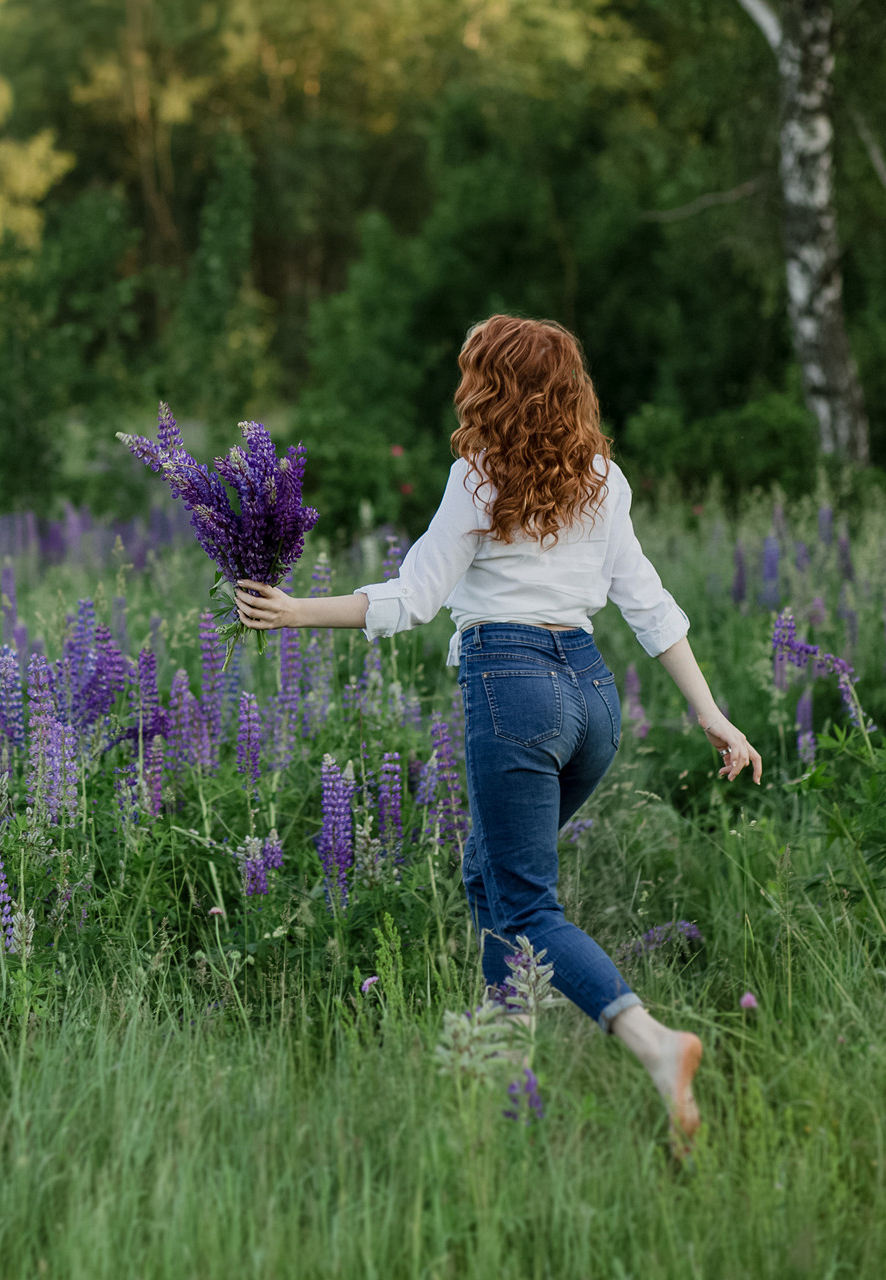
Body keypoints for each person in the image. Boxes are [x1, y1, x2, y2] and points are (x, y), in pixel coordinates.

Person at [235, 314, 760, 1142]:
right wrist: (712, 712)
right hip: (591, 699)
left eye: (475, 369)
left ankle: (654, 1044)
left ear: (497, 385)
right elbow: (649, 606)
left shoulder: (478, 476)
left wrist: (294, 610)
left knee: (524, 903)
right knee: (490, 874)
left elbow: (413, 598)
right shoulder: (602, 478)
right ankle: (503, 1069)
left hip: (511, 690)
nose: (465, 381)